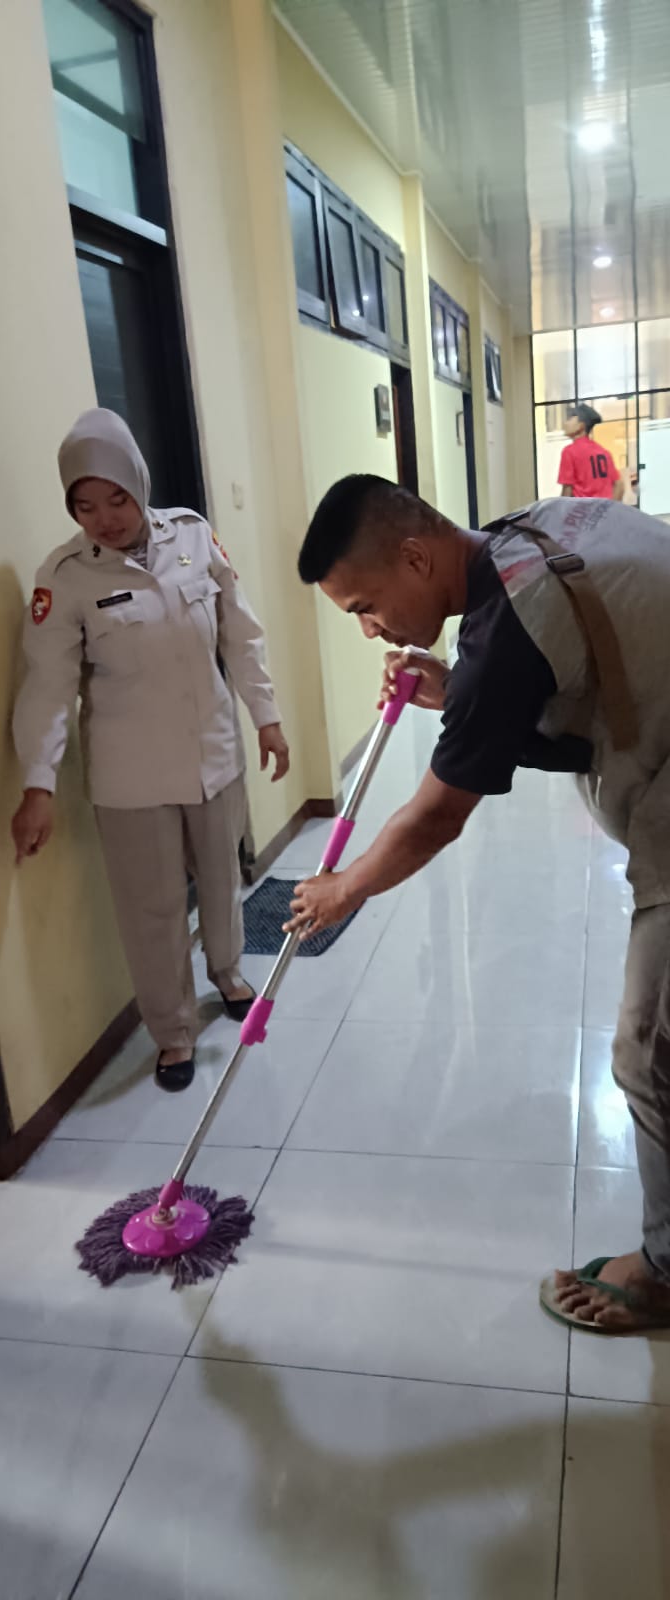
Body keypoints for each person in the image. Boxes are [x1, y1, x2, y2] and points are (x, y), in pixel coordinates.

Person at [286, 473, 670, 1334]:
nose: (369, 630)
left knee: (648, 1052)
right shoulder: (526, 532)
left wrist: (343, 887)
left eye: (364, 606)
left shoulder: (504, 633)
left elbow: (433, 818)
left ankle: (664, 1273)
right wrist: (459, 690)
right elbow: (568, 683)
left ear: (415, 557)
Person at [12, 409, 289, 1092]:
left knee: (221, 879)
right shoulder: (65, 577)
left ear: (138, 484)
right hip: (131, 775)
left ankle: (228, 974)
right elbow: (47, 688)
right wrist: (37, 784)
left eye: (116, 498)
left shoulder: (192, 535)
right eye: (85, 506)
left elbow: (241, 634)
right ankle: (172, 1033)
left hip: (213, 752)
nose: (104, 519)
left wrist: (266, 717)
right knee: (153, 908)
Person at [558, 404, 623, 500]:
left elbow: (567, 490)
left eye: (570, 419)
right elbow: (619, 485)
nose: (565, 423)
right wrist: (612, 506)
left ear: (581, 426)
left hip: (582, 507)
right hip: (604, 507)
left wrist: (560, 508)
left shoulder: (569, 451)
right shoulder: (604, 452)